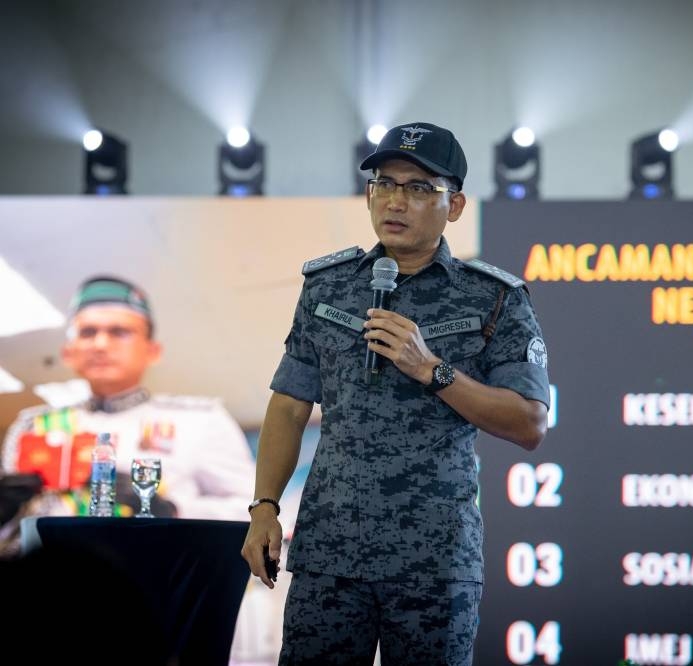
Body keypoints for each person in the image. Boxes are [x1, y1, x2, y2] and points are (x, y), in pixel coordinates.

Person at [241, 121, 550, 665]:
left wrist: (433, 370)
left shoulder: (493, 298)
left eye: (417, 188)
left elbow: (528, 423)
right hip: (329, 552)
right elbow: (290, 405)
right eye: (384, 184)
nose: (395, 201)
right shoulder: (328, 286)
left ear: (453, 205)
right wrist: (264, 507)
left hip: (434, 559)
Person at [1, 275, 255, 523]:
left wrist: (171, 510)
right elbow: (12, 540)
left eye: (119, 332)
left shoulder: (200, 421)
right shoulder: (32, 427)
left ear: (152, 351)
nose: (100, 344)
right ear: (68, 352)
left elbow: (252, 512)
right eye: (88, 332)